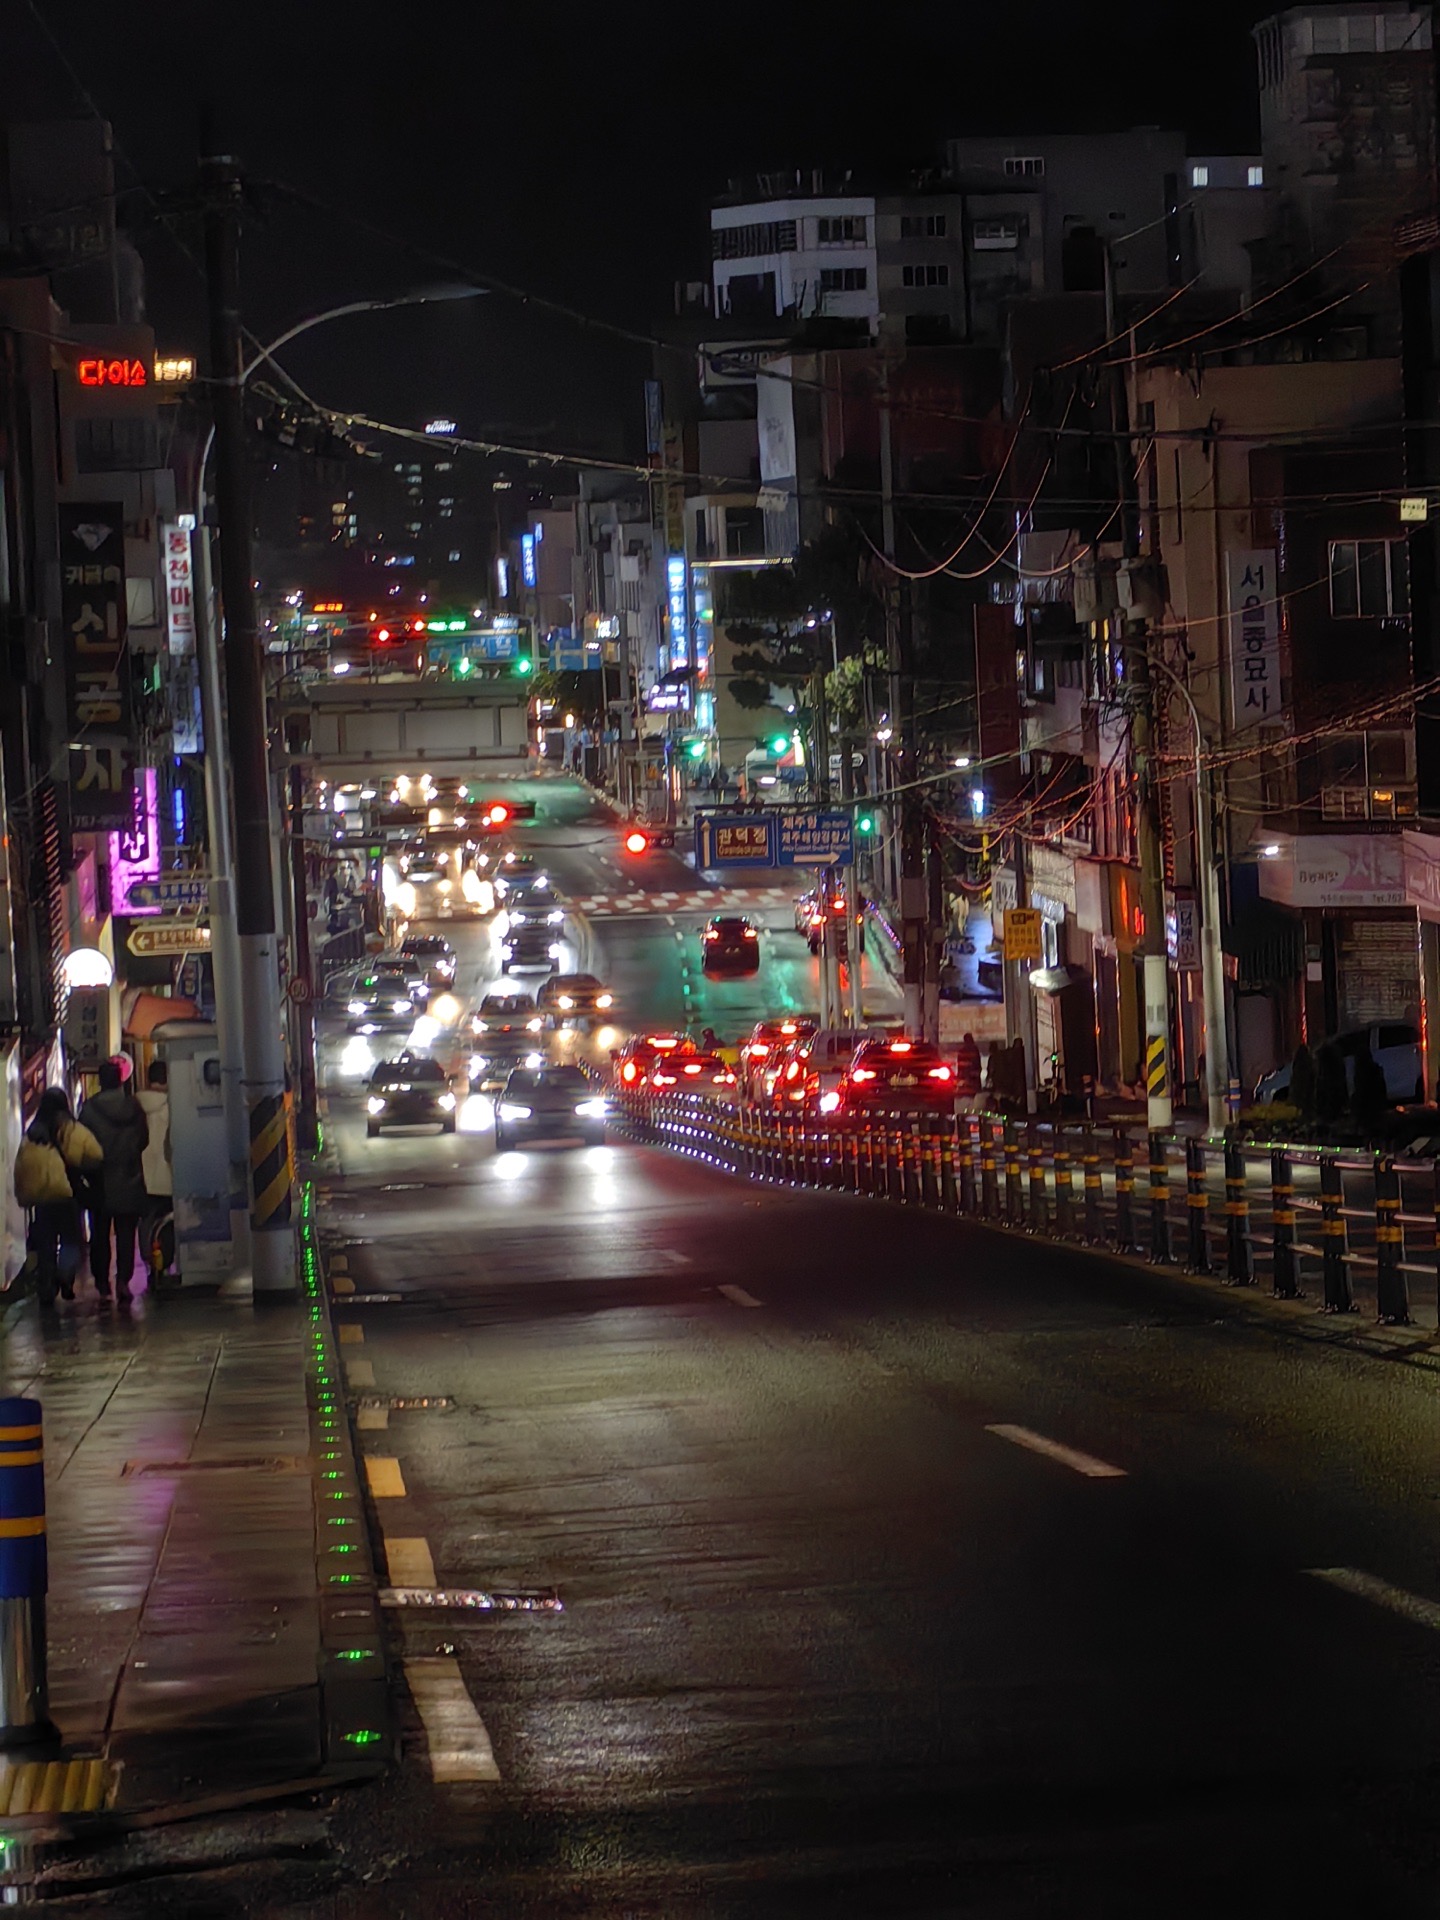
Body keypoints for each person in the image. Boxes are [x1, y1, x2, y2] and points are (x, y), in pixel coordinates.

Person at [13, 1088, 102, 1306]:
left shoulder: (32, 1132)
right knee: (70, 1239)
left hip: (42, 1198)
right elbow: (96, 1154)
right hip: (67, 1194)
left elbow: (22, 1164)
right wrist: (80, 1166)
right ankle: (65, 1276)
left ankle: (46, 1287)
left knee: (46, 1243)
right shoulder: (71, 1129)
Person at [79, 1060, 150, 1301]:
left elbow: (82, 1144)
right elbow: (143, 1139)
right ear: (121, 1080)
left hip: (99, 1179)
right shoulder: (134, 1107)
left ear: (100, 1081)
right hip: (129, 1176)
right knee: (126, 1233)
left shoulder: (89, 1109)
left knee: (100, 1234)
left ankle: (102, 1282)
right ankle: (123, 1281)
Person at [136, 1058, 172, 1279]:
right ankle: (164, 1262)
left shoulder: (136, 1107)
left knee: (147, 1221)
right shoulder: (172, 1107)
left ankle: (149, 1262)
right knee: (168, 1220)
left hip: (142, 1175)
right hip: (168, 1175)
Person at [955, 1032, 983, 1112]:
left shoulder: (961, 1051)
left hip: (965, 1077)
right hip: (974, 1077)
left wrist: (959, 1077)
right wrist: (977, 1072)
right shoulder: (975, 1049)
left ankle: (966, 1110)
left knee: (966, 1096)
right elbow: (978, 1064)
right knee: (974, 1096)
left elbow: (959, 1067)